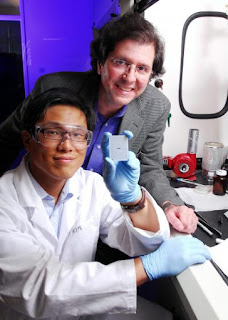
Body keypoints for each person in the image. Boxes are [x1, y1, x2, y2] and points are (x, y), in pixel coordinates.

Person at [0, 88, 211, 320]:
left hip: (81, 307)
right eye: (52, 132)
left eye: (78, 134)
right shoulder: (5, 200)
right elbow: (42, 289)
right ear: (28, 140)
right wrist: (149, 267)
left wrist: (133, 198)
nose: (67, 145)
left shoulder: (90, 184)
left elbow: (141, 241)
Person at [0, 13, 197, 240]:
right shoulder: (53, 88)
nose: (129, 77)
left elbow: (150, 167)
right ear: (100, 64)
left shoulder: (155, 106)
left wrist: (170, 204)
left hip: (101, 220)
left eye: (142, 68)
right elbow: (6, 139)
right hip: (39, 212)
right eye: (121, 62)